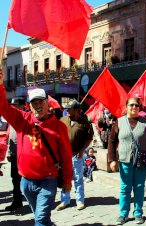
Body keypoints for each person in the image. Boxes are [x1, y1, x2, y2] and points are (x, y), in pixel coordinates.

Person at [0, 71, 73, 226]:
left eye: (41, 102)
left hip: (47, 181)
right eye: (34, 103)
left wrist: (67, 180)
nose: (38, 106)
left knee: (39, 220)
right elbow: (3, 107)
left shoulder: (59, 127)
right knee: (42, 218)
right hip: (25, 182)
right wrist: (0, 85)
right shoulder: (22, 120)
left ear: (48, 103)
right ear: (30, 105)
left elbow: (66, 156)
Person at [108, 97, 146, 225]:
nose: (134, 107)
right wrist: (112, 159)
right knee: (125, 188)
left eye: (136, 105)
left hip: (141, 160)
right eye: (131, 105)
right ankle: (123, 214)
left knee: (139, 187)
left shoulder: (145, 122)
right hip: (125, 160)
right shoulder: (119, 122)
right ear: (126, 106)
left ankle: (138, 213)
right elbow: (112, 142)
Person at [55, 100, 93, 211]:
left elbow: (89, 138)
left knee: (78, 178)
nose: (67, 110)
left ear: (77, 110)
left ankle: (80, 200)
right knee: (65, 178)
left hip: (76, 155)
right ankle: (65, 200)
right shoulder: (62, 120)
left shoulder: (84, 123)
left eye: (69, 109)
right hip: (63, 156)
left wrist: (82, 151)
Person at [4, 97, 26, 211]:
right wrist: (9, 151)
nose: (13, 107)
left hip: (24, 153)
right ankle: (17, 201)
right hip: (14, 153)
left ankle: (31, 199)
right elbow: (9, 136)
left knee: (27, 178)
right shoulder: (11, 118)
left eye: (15, 105)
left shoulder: (26, 118)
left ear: (23, 106)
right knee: (15, 179)